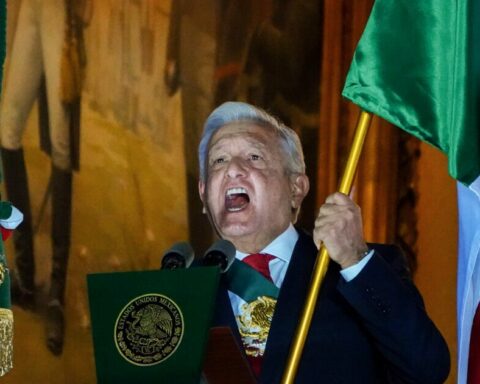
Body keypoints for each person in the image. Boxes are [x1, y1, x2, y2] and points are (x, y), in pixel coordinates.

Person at [197, 101, 450, 383]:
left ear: (296, 188)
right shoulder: (182, 288)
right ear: (204, 194)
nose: (233, 170)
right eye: (219, 160)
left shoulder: (355, 270)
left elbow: (427, 368)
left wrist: (355, 259)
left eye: (254, 156)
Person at [0, 0, 90, 355]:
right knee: (7, 129)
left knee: (61, 144)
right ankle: (24, 270)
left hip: (62, 12)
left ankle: (55, 294)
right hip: (32, 8)